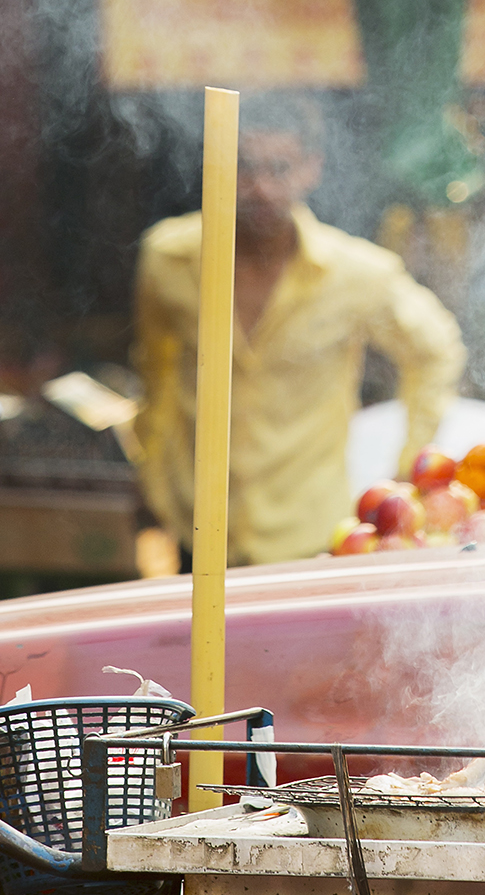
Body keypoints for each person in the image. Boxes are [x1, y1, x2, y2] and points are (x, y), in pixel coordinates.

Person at [133, 94, 465, 566]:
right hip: (198, 531)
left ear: (312, 169)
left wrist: (407, 472)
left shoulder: (356, 272)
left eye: (280, 169)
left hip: (309, 537)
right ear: (217, 168)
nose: (261, 188)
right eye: (244, 168)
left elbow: (436, 348)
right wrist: (153, 483)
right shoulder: (167, 259)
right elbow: (157, 372)